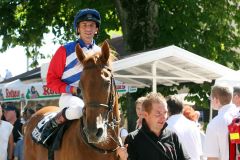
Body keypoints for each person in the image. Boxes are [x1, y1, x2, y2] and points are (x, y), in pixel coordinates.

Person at [41, 8, 102, 141]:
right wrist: (72, 89)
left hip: (95, 99)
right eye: (84, 25)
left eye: (92, 25)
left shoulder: (101, 52)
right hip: (70, 97)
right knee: (78, 110)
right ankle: (53, 123)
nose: (88, 29)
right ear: (78, 29)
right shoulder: (64, 50)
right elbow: (51, 80)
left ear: (96, 29)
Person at [117, 92, 190, 160]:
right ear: (146, 115)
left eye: (165, 113)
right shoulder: (132, 139)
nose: (163, 117)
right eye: (158, 113)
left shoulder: (172, 136)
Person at [203, 84, 237, 160]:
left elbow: (212, 157)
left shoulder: (214, 124)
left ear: (216, 100)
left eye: (210, 98)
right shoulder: (237, 114)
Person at [166, 96, 202, 160]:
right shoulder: (193, 125)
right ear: (182, 108)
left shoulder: (167, 126)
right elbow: (200, 151)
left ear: (167, 109)